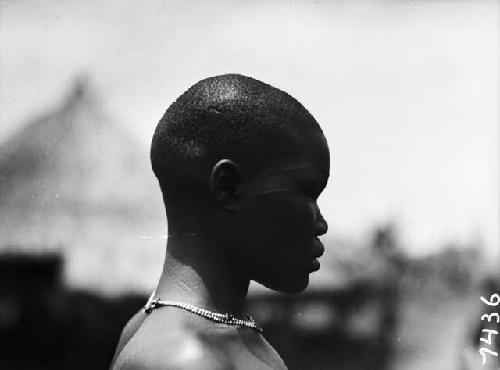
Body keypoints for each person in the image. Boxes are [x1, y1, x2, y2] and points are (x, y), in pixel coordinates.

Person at [110, 74, 330, 370]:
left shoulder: (149, 330)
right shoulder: (185, 360)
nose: (321, 223)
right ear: (228, 188)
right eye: (306, 192)